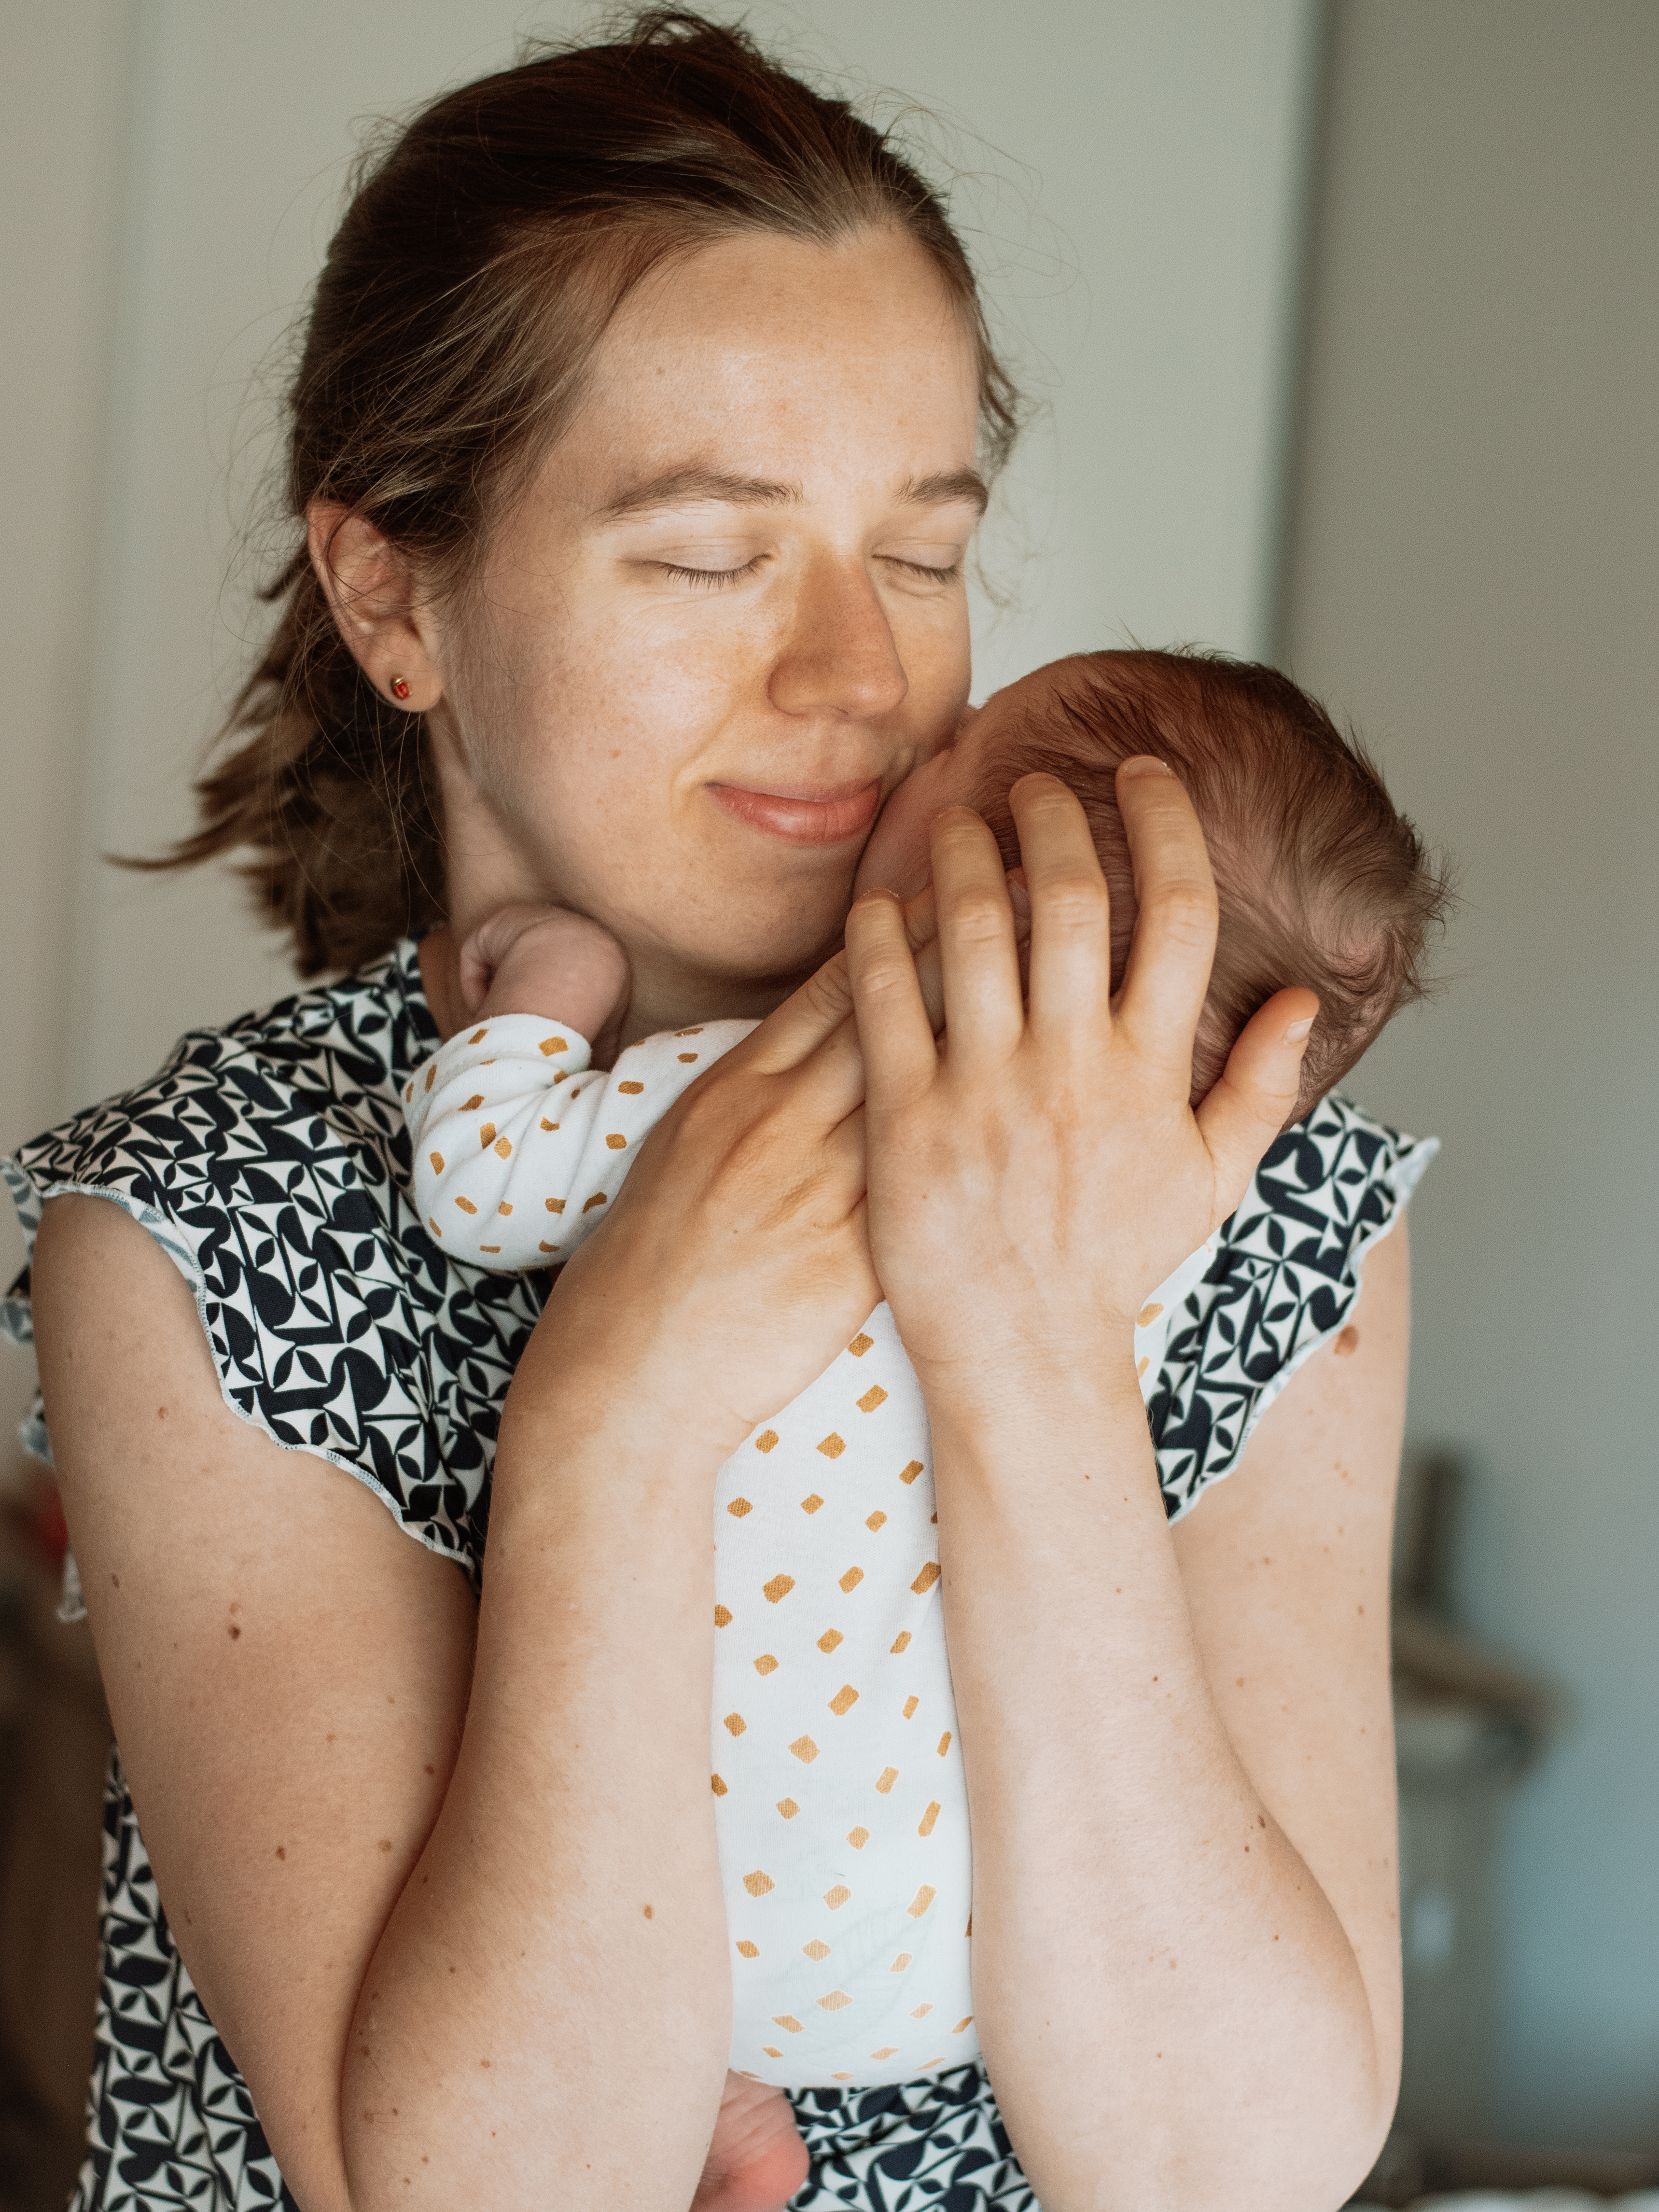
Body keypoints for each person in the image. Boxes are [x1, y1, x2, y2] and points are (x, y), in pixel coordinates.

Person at [4, 17, 1430, 2211]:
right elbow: (480, 2186)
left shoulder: (1238, 1160)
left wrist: (1025, 1338)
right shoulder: (206, 1233)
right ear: (394, 592)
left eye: (922, 552)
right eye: (704, 556)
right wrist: (612, 1407)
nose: (858, 676)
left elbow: (1221, 2170)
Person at [397, 644, 1444, 2206]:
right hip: (952, 1981)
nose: (897, 724)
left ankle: (724, 2097)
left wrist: (557, 988)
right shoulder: (1179, 1219)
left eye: (952, 754)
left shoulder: (741, 1100)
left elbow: (484, 1183)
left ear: (970, 897)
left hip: (659, 1951)